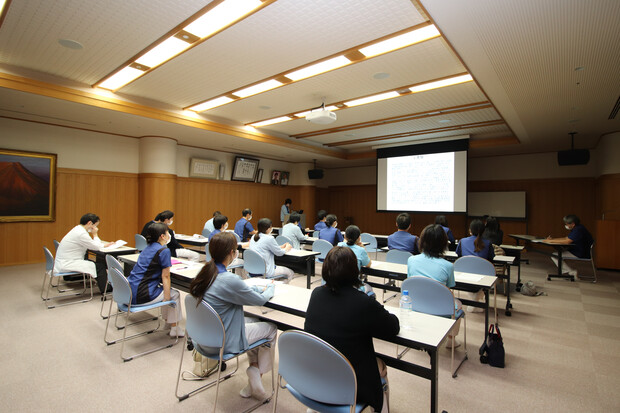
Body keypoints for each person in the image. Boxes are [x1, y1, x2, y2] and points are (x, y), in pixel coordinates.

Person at [305, 247, 399, 413]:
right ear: (354, 271)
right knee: (381, 366)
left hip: (318, 372)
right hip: (351, 379)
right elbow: (393, 327)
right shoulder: (363, 302)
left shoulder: (316, 294)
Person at [189, 232, 277, 400]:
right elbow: (259, 300)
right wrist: (270, 289)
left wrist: (255, 289)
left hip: (203, 339)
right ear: (232, 252)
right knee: (271, 328)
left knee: (255, 321)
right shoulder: (229, 279)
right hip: (223, 342)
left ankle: (253, 366)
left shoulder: (205, 273)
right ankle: (257, 374)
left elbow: (240, 290)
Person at [407, 224, 462, 346]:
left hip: (415, 306)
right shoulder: (448, 266)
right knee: (458, 304)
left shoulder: (411, 260)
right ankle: (451, 340)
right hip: (441, 311)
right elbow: (449, 288)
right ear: (443, 243)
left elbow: (410, 281)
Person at [127, 222, 184, 337]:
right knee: (174, 294)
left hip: (129, 291)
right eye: (168, 233)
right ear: (162, 236)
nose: (169, 235)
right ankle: (175, 328)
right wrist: (167, 298)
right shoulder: (163, 250)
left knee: (166, 291)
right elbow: (166, 276)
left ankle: (169, 323)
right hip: (142, 294)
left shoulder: (147, 248)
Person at [54, 213, 114, 293]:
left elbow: (93, 245)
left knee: (93, 259)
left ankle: (104, 282)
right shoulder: (81, 234)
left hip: (65, 260)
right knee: (99, 266)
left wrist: (102, 245)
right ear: (89, 223)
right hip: (68, 262)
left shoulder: (77, 229)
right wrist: (95, 234)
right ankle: (106, 289)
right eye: (95, 225)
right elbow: (95, 247)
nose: (95, 228)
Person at [249, 218, 294, 282]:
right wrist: (287, 248)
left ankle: (272, 284)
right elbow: (279, 253)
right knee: (290, 273)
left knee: (278, 276)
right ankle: (277, 287)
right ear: (268, 229)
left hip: (253, 269)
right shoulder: (269, 238)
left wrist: (280, 246)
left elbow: (264, 247)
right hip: (265, 271)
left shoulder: (254, 236)